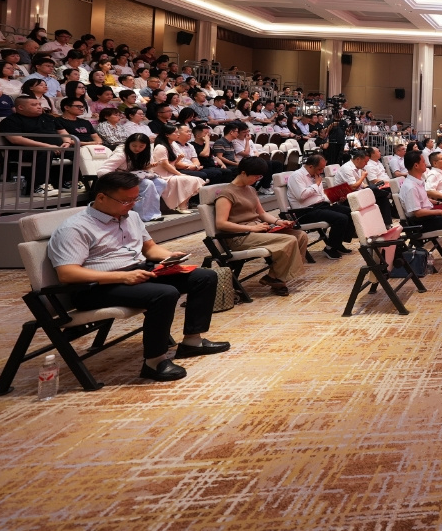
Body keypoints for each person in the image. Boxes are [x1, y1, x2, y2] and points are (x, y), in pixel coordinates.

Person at [47, 171, 230, 382]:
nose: (132, 205)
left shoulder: (131, 217)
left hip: (137, 272)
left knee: (204, 277)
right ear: (101, 197)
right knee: (164, 293)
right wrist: (122, 278)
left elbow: (150, 249)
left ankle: (192, 342)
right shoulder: (75, 228)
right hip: (96, 287)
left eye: (136, 199)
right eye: (126, 200)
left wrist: (170, 256)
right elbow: (67, 273)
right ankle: (154, 362)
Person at [214, 156, 308, 296]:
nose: (257, 179)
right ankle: (278, 279)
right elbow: (221, 223)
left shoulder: (250, 190)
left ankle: (275, 276)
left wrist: (278, 222)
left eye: (260, 176)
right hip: (239, 236)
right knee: (289, 240)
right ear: (243, 173)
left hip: (257, 230)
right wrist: (251, 228)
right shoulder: (227, 194)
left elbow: (261, 213)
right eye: (255, 176)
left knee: (300, 235)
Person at [398, 149, 442, 272]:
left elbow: (422, 200)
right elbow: (417, 212)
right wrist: (441, 212)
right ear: (416, 165)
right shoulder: (410, 187)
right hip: (420, 223)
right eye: (423, 162)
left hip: (427, 217)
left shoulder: (417, 181)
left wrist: (437, 203)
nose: (426, 164)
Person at [0, 95, 77, 196]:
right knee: (44, 152)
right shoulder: (10, 121)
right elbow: (15, 139)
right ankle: (39, 186)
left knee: (76, 151)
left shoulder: (48, 117)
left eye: (39, 104)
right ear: (21, 107)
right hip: (25, 151)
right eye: (34, 105)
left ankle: (68, 182)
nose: (39, 107)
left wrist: (67, 142)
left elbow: (62, 132)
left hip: (55, 148)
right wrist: (48, 146)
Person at [284, 154, 355, 259]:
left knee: (350, 212)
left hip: (320, 206)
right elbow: (301, 196)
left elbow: (321, 196)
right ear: (310, 166)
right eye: (320, 169)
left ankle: (337, 243)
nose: (321, 172)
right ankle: (330, 248)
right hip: (305, 211)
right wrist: (316, 184)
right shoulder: (296, 176)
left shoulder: (315, 175)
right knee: (341, 218)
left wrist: (335, 198)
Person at [98, 133, 167, 221]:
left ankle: (150, 212)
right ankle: (144, 215)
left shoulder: (146, 154)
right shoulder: (121, 154)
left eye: (141, 146)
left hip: (135, 177)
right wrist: (116, 182)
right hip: (121, 179)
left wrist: (148, 167)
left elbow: (141, 170)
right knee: (147, 183)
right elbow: (103, 170)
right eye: (134, 146)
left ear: (146, 146)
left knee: (161, 183)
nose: (137, 149)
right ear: (128, 144)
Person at [333, 147, 396, 225]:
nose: (366, 164)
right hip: (347, 197)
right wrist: (363, 177)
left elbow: (361, 184)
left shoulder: (358, 167)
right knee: (374, 189)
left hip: (357, 193)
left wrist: (369, 188)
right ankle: (388, 194)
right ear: (358, 159)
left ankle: (387, 224)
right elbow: (353, 187)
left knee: (381, 197)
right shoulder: (347, 168)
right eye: (365, 162)